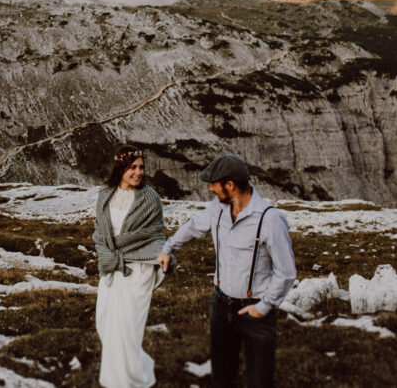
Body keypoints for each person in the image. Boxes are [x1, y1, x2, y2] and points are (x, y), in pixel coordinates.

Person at [157, 154, 295, 388]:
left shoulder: (269, 219)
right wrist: (168, 248)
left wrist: (264, 307)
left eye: (214, 184)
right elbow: (194, 227)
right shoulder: (218, 208)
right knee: (222, 376)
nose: (210, 188)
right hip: (220, 304)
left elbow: (286, 271)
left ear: (230, 185)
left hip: (255, 309)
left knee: (259, 381)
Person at [92, 145, 170, 388]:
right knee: (105, 323)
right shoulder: (105, 196)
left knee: (127, 328)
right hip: (112, 267)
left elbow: (155, 233)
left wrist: (164, 252)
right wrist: (107, 255)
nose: (138, 172)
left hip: (138, 269)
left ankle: (129, 381)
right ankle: (121, 375)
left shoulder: (149, 198)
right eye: (132, 168)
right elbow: (99, 233)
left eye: (141, 168)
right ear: (121, 168)